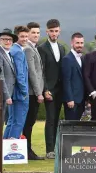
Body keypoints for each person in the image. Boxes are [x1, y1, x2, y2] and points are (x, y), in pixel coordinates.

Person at [37, 19, 65, 159]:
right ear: (47, 31)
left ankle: (56, 147)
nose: (54, 33)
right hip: (49, 90)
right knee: (51, 119)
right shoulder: (42, 48)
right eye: (51, 31)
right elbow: (41, 71)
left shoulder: (61, 48)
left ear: (59, 31)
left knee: (58, 120)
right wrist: (45, 89)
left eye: (56, 31)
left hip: (61, 90)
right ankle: (49, 150)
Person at [22, 22, 45, 160]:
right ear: (28, 34)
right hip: (31, 93)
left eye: (37, 33)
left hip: (34, 92)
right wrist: (39, 93)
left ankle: (27, 150)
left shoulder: (33, 48)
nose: (36, 35)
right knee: (28, 123)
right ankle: (27, 151)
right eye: (33, 33)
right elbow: (32, 72)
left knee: (30, 123)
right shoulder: (28, 49)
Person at [3, 26, 29, 139]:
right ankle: (11, 151)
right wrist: (24, 92)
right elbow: (20, 74)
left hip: (13, 93)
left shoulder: (12, 50)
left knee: (11, 121)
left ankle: (2, 149)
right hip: (20, 94)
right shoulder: (18, 52)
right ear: (16, 37)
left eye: (26, 36)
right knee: (18, 123)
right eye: (22, 36)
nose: (25, 39)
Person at [0, 28, 17, 124]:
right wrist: (7, 96)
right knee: (0, 123)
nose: (7, 41)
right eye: (4, 39)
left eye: (9, 39)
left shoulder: (10, 53)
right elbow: (1, 76)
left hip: (12, 93)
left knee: (8, 122)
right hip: (3, 95)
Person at [62, 32, 85, 120]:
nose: (80, 45)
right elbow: (66, 80)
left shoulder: (82, 58)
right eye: (77, 43)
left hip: (81, 99)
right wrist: (69, 99)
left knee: (78, 126)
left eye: (81, 43)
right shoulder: (67, 59)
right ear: (72, 43)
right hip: (72, 101)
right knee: (71, 126)